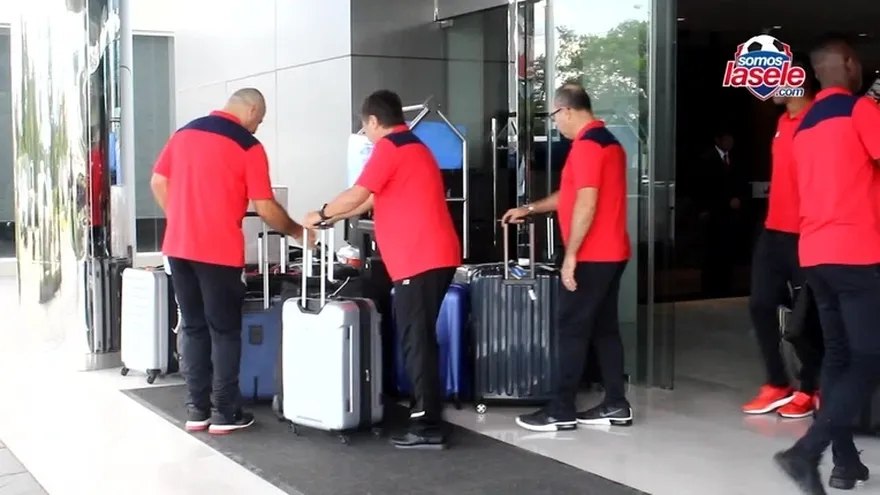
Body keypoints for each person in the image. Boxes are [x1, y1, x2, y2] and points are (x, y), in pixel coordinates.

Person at [302, 89, 461, 450]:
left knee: (415, 339)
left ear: (373, 121)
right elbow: (372, 198)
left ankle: (428, 424)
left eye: (366, 127)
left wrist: (321, 213)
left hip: (420, 258)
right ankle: (428, 415)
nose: (367, 134)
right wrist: (333, 218)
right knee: (417, 337)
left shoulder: (389, 148)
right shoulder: (413, 147)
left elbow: (358, 193)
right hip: (432, 256)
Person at [150, 88, 305, 435]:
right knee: (224, 331)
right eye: (259, 119)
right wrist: (296, 231)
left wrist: (180, 217)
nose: (258, 127)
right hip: (218, 251)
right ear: (250, 109)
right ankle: (224, 412)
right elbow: (265, 206)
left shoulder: (185, 132)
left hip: (178, 246)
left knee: (192, 325)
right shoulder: (247, 146)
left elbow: (159, 181)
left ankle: (196, 409)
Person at [774, 36, 879, 494]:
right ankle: (806, 451)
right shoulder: (859, 112)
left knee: (838, 357)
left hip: (814, 254)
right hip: (856, 252)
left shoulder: (806, 123)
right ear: (850, 64)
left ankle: (844, 463)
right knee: (869, 357)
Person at [503, 83, 632, 432]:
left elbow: (586, 203)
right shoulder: (609, 142)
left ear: (568, 111)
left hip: (592, 255)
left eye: (555, 116)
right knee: (604, 330)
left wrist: (571, 256)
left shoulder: (588, 146)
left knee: (571, 329)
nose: (555, 123)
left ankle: (561, 409)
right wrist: (529, 209)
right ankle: (616, 404)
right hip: (614, 253)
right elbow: (570, 194)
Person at [743, 56, 823, 419]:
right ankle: (777, 383)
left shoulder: (820, 119)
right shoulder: (782, 120)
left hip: (808, 232)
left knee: (808, 318)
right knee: (760, 304)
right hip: (774, 229)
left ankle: (812, 386)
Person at [695, 129, 749, 297]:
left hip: (731, 217)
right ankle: (710, 289)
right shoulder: (706, 159)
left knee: (728, 253)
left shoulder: (735, 159)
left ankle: (727, 287)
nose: (729, 142)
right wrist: (725, 202)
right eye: (726, 139)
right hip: (714, 215)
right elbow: (705, 189)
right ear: (718, 139)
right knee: (712, 255)